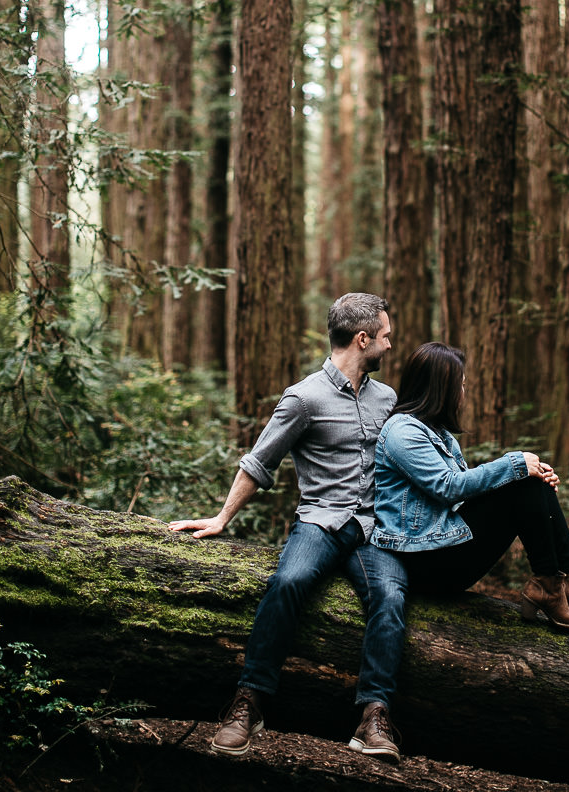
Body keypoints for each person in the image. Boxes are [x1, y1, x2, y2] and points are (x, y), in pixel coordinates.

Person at [170, 293, 408, 762]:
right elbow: (260, 462)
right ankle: (249, 703)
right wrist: (221, 518)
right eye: (385, 338)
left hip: (373, 529)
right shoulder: (304, 398)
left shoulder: (388, 398)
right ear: (362, 340)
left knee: (392, 597)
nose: (389, 346)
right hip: (320, 521)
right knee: (287, 582)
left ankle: (373, 717)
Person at [371, 342, 569, 631]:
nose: (463, 394)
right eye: (460, 386)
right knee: (521, 479)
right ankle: (550, 587)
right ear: (442, 389)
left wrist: (531, 478)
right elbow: (448, 487)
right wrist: (514, 466)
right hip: (422, 563)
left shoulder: (440, 436)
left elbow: (463, 499)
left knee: (530, 483)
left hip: (440, 550)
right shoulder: (402, 431)